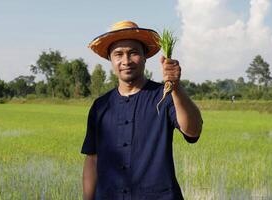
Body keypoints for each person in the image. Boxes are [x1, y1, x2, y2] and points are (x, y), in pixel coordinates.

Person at [81, 20, 203, 200]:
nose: (126, 61)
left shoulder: (164, 97)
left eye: (133, 53)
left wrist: (176, 87)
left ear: (145, 57)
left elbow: (193, 130)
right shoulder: (100, 106)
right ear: (110, 59)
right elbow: (92, 159)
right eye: (118, 54)